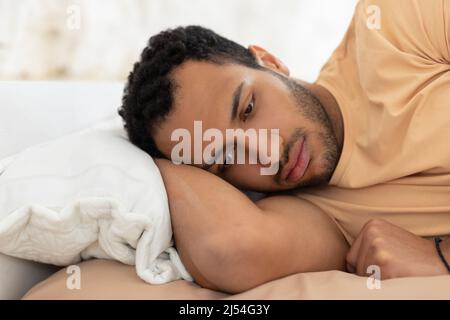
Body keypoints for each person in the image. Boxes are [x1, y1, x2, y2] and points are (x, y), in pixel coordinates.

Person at [118, 0, 450, 293]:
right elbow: (230, 249)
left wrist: (440, 257)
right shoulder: (316, 215)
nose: (268, 154)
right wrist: (154, 163)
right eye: (225, 159)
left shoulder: (396, 27)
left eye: (248, 109)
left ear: (269, 61)